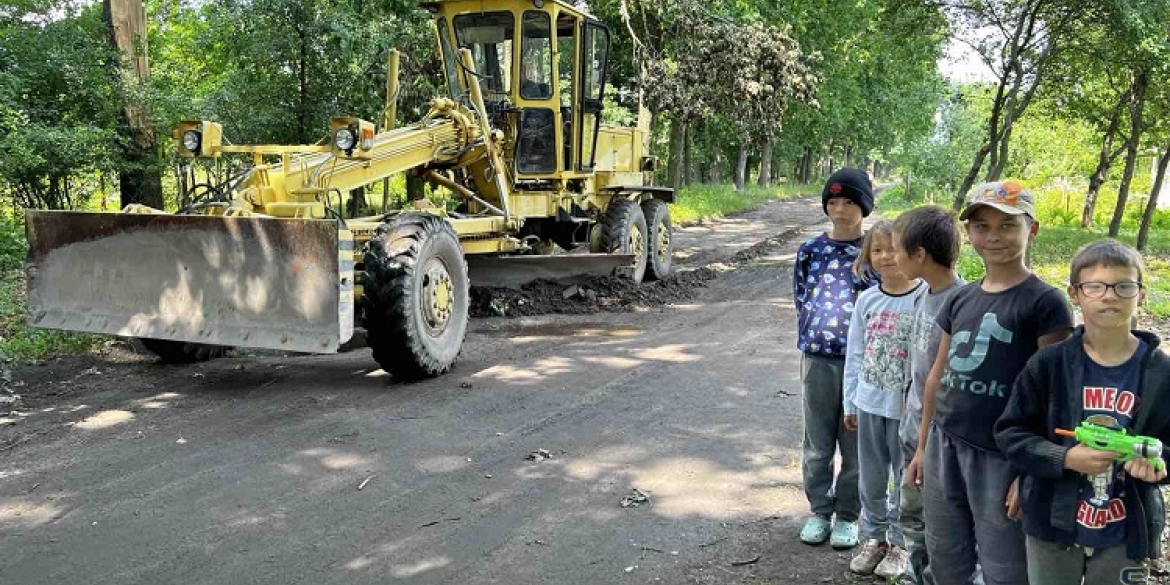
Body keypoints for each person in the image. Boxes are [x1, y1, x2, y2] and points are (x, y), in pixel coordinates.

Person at [905, 180, 1075, 585]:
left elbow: (1055, 394)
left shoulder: (1046, 303)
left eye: (1007, 225)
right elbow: (937, 374)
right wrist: (923, 446)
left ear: (1031, 229)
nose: (993, 236)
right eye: (982, 226)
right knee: (946, 556)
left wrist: (1031, 469)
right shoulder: (960, 298)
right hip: (945, 445)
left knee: (1005, 566)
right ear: (968, 233)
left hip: (1003, 455)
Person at [995, 239, 1169, 585]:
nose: (1109, 296)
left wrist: (1158, 468)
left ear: (1141, 293)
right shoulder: (1049, 363)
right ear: (1075, 294)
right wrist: (1064, 458)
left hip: (1126, 531)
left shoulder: (1161, 373)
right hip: (1051, 523)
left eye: (1123, 286)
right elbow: (1011, 432)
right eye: (1095, 286)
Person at [793, 167, 876, 549]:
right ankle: (819, 510)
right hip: (818, 359)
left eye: (849, 202)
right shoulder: (811, 250)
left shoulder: (875, 252)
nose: (840, 210)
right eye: (833, 202)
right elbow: (800, 296)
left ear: (864, 207)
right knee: (817, 441)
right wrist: (815, 334)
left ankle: (847, 514)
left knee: (856, 443)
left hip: (863, 365)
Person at [843, 220, 924, 578]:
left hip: (907, 411)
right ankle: (875, 538)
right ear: (868, 257)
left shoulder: (925, 296)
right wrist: (850, 401)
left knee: (905, 480)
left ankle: (901, 544)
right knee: (872, 479)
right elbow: (855, 354)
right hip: (869, 404)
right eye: (877, 250)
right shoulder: (867, 300)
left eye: (893, 248)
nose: (886, 256)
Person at [891, 205, 966, 585]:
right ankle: (914, 572)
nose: (891, 257)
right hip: (913, 425)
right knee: (911, 510)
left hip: (934, 436)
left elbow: (948, 380)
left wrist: (924, 439)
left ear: (920, 254)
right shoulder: (925, 294)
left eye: (896, 249)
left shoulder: (960, 302)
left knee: (937, 518)